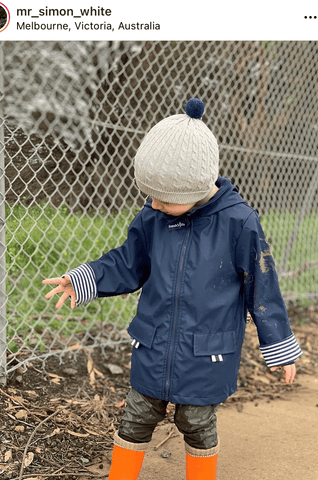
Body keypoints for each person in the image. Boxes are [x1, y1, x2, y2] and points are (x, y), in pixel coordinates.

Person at [43, 98, 302, 480]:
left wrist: (278, 347)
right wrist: (86, 279)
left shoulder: (239, 222)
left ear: (198, 186)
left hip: (206, 353)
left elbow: (263, 288)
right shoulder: (153, 217)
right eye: (151, 194)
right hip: (154, 344)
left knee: (197, 423)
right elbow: (128, 262)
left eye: (166, 198)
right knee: (134, 417)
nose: (154, 203)